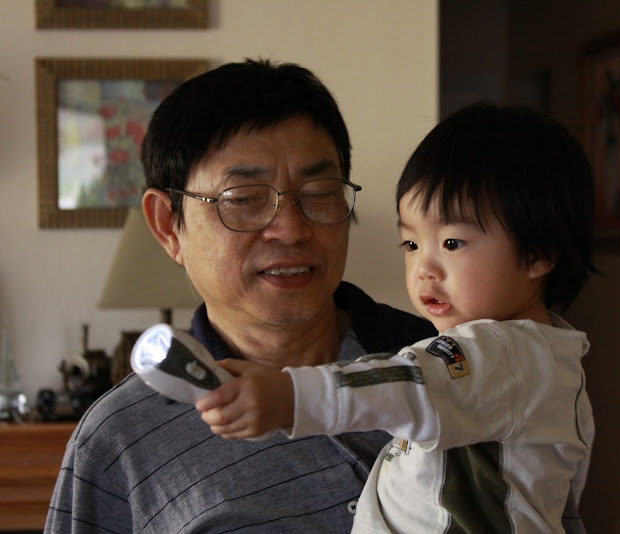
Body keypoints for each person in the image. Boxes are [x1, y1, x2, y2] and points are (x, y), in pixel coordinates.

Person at [45, 59, 437, 533]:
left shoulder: (450, 358)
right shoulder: (119, 440)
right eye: (244, 198)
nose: (291, 229)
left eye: (318, 192)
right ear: (168, 226)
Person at [195, 101, 598, 533]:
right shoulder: (549, 360)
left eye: (452, 244)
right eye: (411, 245)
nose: (424, 269)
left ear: (539, 253)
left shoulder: (503, 354)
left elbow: (409, 383)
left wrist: (290, 395)